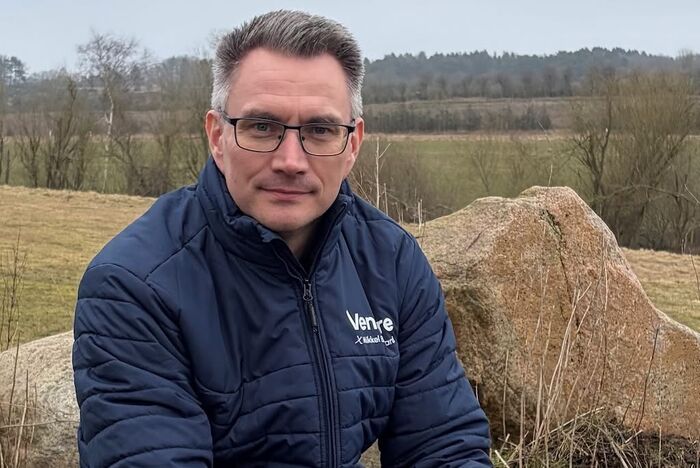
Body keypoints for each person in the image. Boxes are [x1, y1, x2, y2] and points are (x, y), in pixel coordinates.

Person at [72, 10, 491, 467]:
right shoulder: (134, 285)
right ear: (217, 136)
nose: (290, 160)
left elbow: (443, 445)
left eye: (320, 130)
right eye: (262, 127)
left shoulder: (389, 261)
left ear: (352, 144)